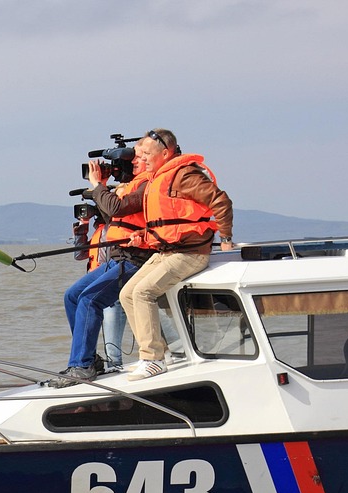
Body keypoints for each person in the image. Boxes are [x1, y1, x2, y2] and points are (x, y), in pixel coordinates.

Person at [119, 129, 234, 381]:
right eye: (141, 154)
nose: (142, 158)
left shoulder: (184, 175)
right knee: (127, 294)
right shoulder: (159, 178)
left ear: (165, 153)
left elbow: (221, 202)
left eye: (147, 153)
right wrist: (143, 235)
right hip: (167, 251)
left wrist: (226, 239)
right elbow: (168, 221)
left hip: (190, 252)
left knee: (143, 292)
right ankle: (163, 353)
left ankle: (153, 359)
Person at [57, 141, 153, 386]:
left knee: (90, 300)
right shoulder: (129, 186)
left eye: (138, 158)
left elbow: (117, 208)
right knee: (72, 296)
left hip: (135, 258)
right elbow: (110, 215)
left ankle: (81, 366)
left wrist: (98, 185)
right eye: (132, 159)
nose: (133, 162)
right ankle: (89, 359)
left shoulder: (149, 184)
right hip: (116, 259)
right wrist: (102, 187)